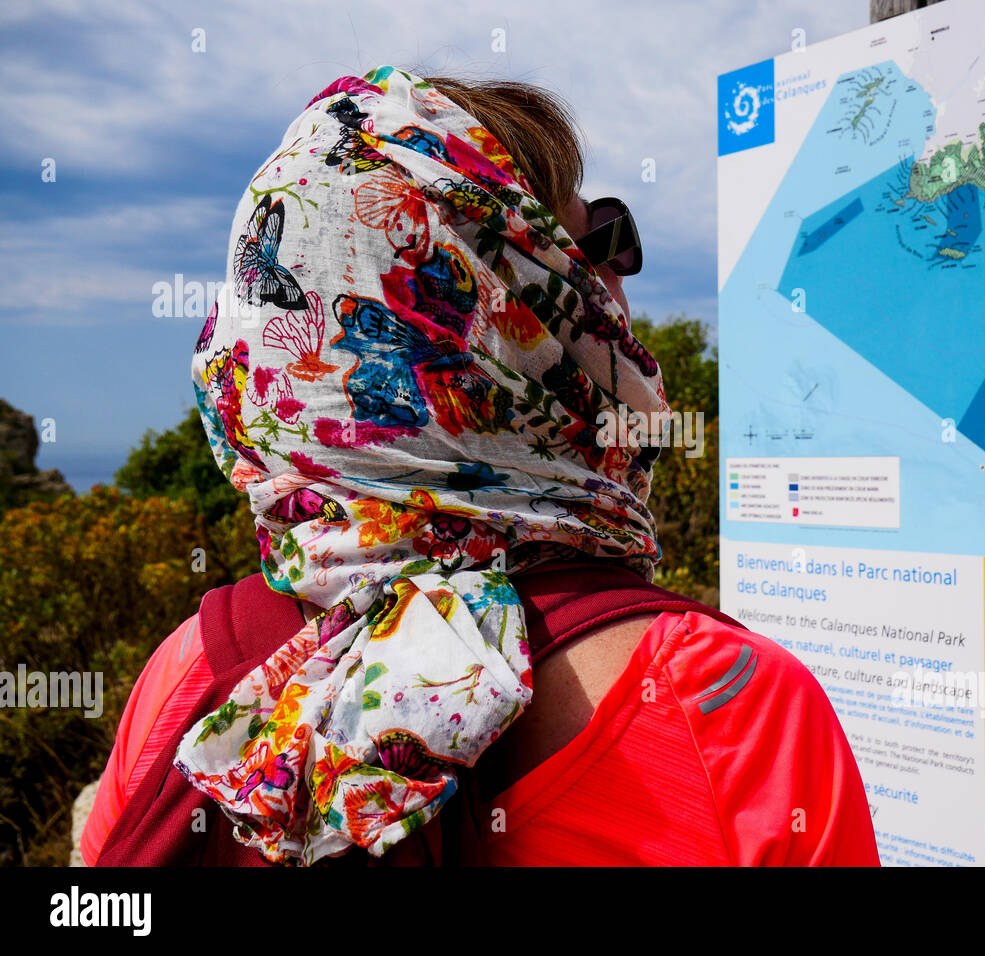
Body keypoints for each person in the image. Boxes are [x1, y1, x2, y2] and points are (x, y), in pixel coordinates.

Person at [82, 66, 879, 867]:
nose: (622, 280)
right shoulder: (730, 710)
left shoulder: (187, 674)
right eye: (596, 243)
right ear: (508, 310)